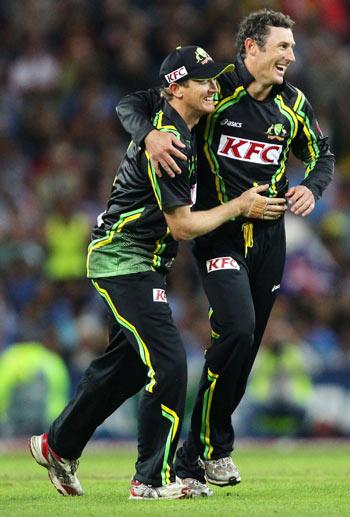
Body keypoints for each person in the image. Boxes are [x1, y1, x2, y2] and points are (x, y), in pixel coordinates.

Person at [29, 45, 275, 501]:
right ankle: (150, 480)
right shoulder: (171, 143)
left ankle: (57, 446)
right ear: (176, 89)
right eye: (202, 81)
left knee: (125, 369)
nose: (213, 87)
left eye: (213, 78)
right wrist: (239, 206)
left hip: (144, 262)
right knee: (169, 364)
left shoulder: (173, 123)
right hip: (124, 260)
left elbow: (131, 102)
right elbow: (182, 227)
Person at [116, 9, 335, 490]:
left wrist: (312, 188)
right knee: (236, 328)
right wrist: (150, 134)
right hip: (220, 233)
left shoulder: (294, 104)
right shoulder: (216, 88)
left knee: (246, 346)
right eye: (282, 46)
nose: (291, 55)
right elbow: (135, 103)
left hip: (270, 238)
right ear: (251, 48)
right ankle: (214, 447)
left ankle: (196, 456)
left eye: (292, 46)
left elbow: (322, 154)